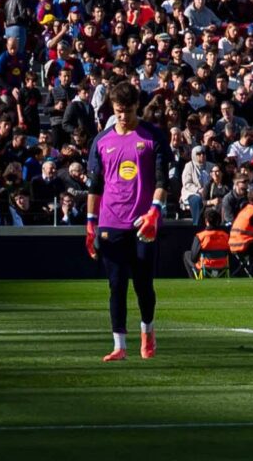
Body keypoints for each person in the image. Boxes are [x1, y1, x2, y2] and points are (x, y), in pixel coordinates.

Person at [86, 79, 170, 361]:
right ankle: (119, 345)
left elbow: (161, 180)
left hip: (142, 223)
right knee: (116, 284)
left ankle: (148, 331)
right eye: (118, 111)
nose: (123, 116)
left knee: (144, 285)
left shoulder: (152, 137)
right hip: (111, 222)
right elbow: (94, 185)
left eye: (128, 110)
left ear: (137, 107)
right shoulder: (101, 140)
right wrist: (90, 223)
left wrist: (154, 211)